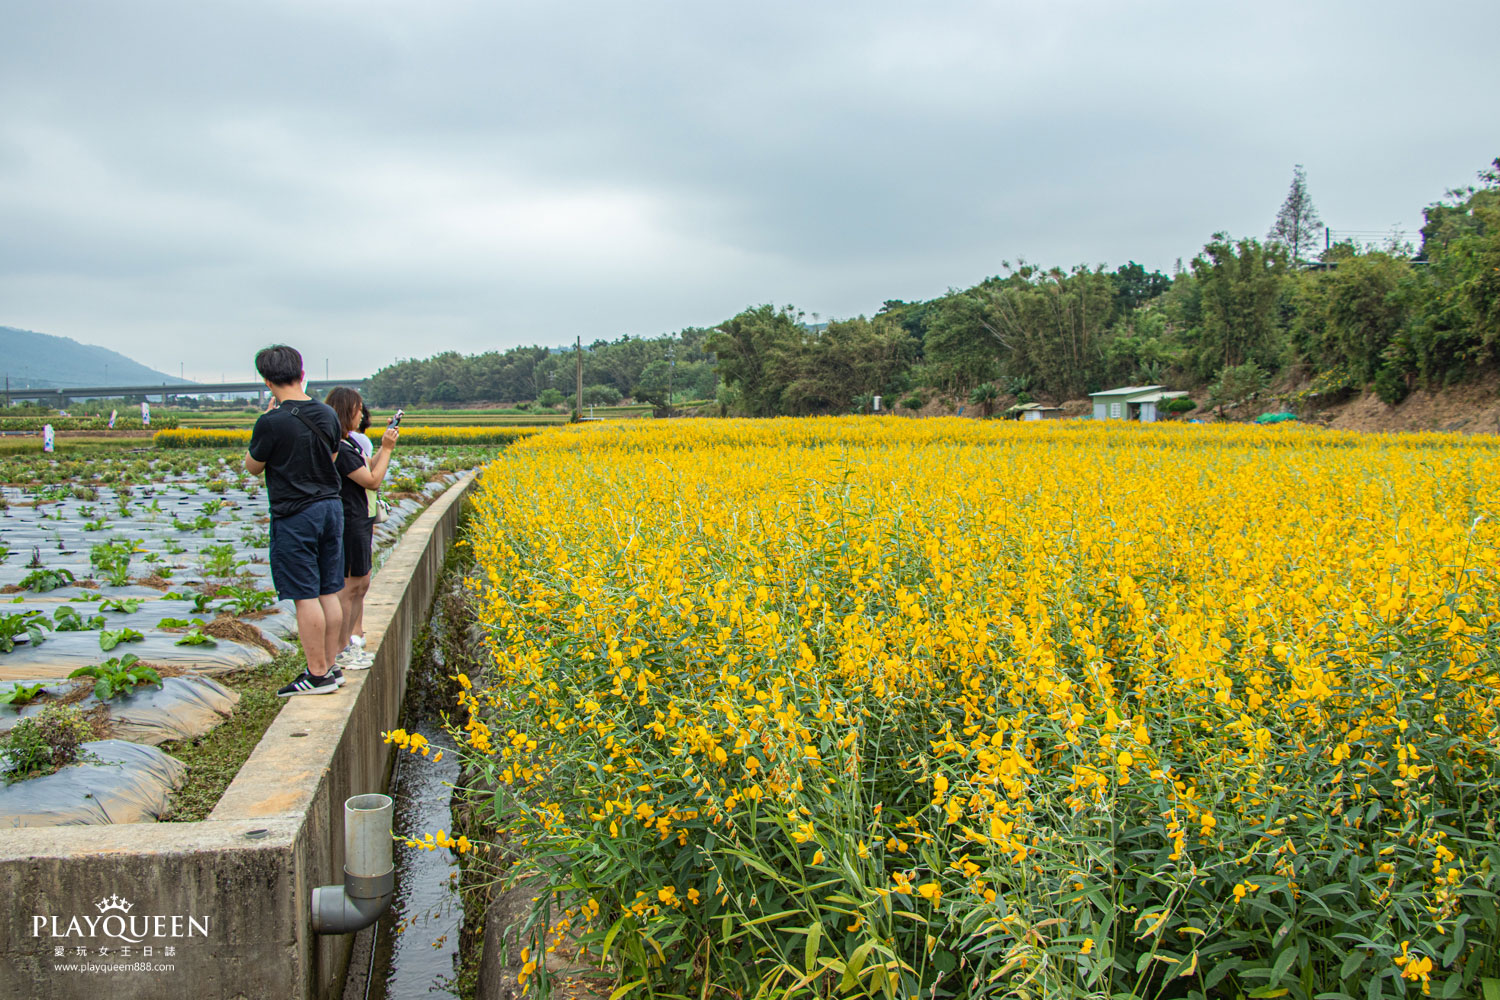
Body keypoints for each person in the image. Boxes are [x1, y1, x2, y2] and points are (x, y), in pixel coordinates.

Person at [243, 345, 346, 696]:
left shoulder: (271, 422)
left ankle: (316, 675)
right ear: (302, 373)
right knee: (329, 589)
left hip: (295, 514)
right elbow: (332, 456)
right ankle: (331, 667)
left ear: (267, 381)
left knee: (305, 596)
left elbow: (253, 466)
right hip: (331, 509)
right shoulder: (328, 414)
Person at [324, 387, 398, 672]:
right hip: (350, 520)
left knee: (362, 583)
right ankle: (342, 648)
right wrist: (388, 450)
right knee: (350, 586)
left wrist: (384, 445)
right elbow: (372, 480)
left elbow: (370, 465)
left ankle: (349, 644)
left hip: (362, 519)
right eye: (357, 409)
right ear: (346, 412)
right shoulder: (340, 449)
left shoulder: (351, 444)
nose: (361, 414)